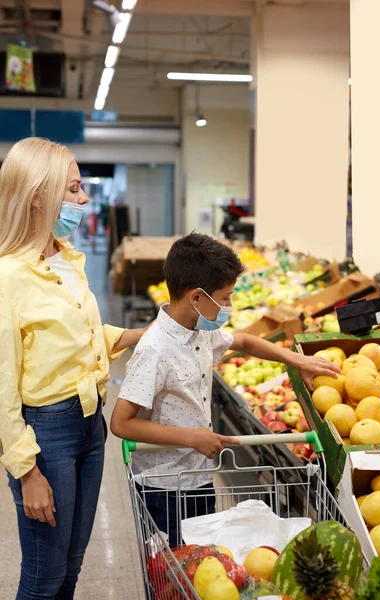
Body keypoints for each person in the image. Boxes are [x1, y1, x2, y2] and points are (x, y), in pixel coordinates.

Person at [111, 233, 340, 547]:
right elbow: (121, 423)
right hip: (164, 486)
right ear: (197, 297)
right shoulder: (155, 350)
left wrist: (296, 359)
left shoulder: (199, 331)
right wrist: (192, 437)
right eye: (226, 297)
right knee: (175, 569)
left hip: (199, 474)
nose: (229, 306)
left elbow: (244, 341)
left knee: (202, 563)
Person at [0, 137, 146, 600]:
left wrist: (151, 332)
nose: (84, 200)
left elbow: (81, 338)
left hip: (90, 424)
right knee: (43, 579)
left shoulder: (67, 261)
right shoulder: (8, 277)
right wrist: (26, 472)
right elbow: (2, 386)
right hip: (46, 434)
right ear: (39, 195)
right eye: (75, 189)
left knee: (71, 569)